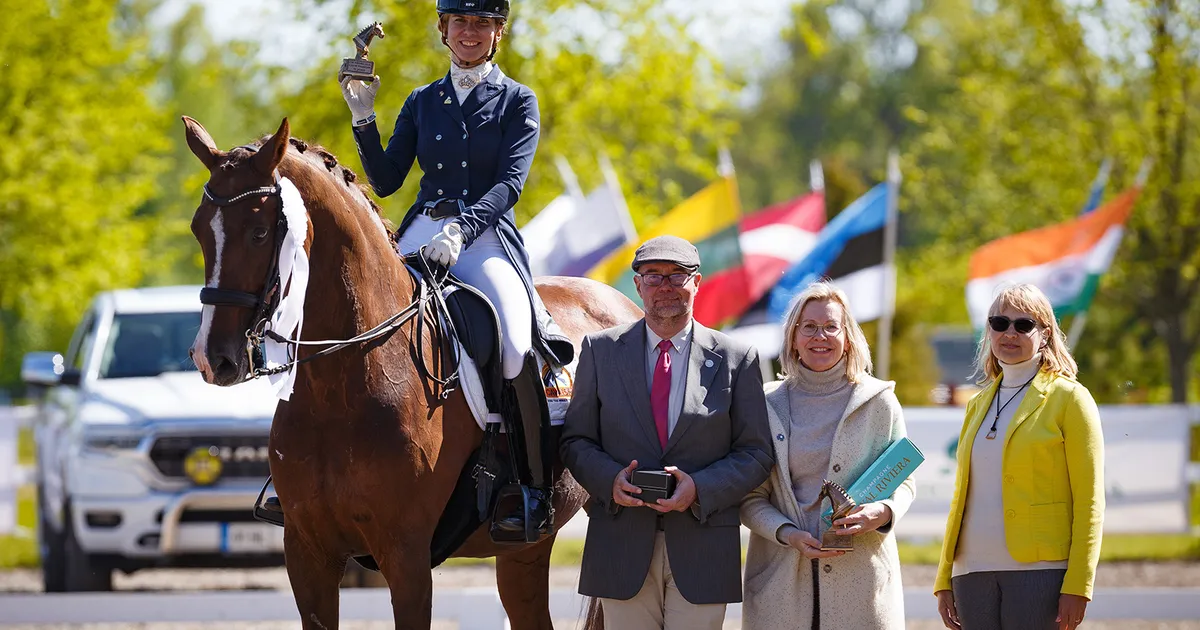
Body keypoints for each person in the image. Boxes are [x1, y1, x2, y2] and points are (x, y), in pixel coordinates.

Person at [266, 0, 563, 536]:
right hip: (423, 229)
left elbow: (510, 184)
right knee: (349, 311)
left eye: (481, 24)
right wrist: (363, 117)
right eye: (460, 22)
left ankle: (531, 488)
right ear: (444, 29)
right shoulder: (424, 101)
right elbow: (385, 180)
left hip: (484, 237)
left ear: (497, 33)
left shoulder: (518, 100)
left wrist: (463, 230)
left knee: (516, 345)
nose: (469, 32)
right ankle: (300, 468)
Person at [561, 235, 774, 630]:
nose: (665, 286)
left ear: (697, 282)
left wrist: (700, 488)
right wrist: (610, 481)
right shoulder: (599, 351)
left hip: (704, 545)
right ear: (638, 284)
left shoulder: (737, 358)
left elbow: (756, 453)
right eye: (653, 276)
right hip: (620, 543)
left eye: (678, 275)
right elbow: (575, 440)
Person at [740, 281, 914, 630]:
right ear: (793, 338)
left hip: (862, 587)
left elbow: (904, 479)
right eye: (809, 327)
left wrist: (881, 512)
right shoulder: (764, 404)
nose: (820, 336)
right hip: (780, 587)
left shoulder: (880, 401)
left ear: (847, 337)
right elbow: (749, 497)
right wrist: (786, 533)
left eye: (831, 326)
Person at [934, 283, 1104, 630]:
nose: (1009, 333)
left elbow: (1090, 501)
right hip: (970, 573)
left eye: (1023, 325)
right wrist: (944, 577)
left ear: (1045, 334)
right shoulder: (976, 404)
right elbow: (962, 497)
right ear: (989, 331)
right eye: (999, 323)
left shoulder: (1070, 399)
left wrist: (1079, 583)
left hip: (1041, 572)